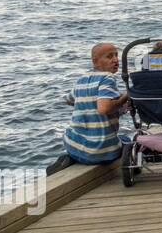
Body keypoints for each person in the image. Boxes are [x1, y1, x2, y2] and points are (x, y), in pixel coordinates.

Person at [47, 43, 130, 174]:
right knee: (126, 140)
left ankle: (70, 158)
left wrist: (87, 105)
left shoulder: (81, 80)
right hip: (103, 152)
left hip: (74, 147)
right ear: (95, 61)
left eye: (116, 55)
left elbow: (68, 100)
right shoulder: (108, 78)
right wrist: (125, 97)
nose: (115, 60)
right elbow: (104, 109)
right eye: (109, 57)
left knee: (74, 135)